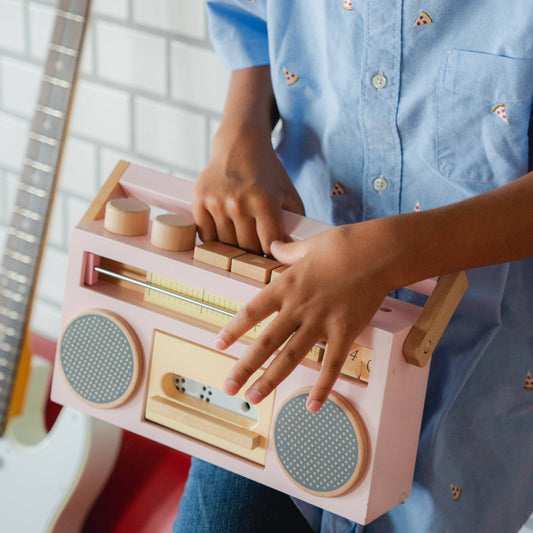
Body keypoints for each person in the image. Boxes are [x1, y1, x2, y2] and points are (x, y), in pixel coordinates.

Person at [174, 2, 533, 532]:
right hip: (287, 332)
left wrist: (391, 254)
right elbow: (250, 17)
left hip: (468, 373)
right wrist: (239, 132)